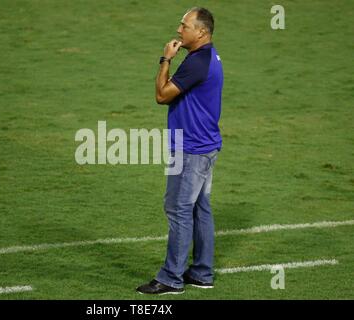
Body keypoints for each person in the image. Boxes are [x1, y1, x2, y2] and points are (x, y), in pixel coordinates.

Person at [136, 7, 224, 295]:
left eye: (184, 25)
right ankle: (201, 273)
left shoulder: (197, 62)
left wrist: (165, 60)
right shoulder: (208, 57)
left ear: (201, 31)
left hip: (191, 150)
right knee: (200, 209)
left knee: (178, 209)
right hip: (205, 147)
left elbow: (161, 95)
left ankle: (172, 278)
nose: (178, 30)